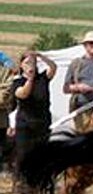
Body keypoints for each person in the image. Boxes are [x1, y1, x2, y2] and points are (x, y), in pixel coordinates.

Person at [12, 51, 56, 183]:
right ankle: (21, 182)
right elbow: (23, 94)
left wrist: (41, 56)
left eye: (33, 63)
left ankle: (40, 182)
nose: (30, 66)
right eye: (27, 63)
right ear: (21, 65)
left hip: (42, 123)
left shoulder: (43, 78)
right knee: (24, 155)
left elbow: (53, 68)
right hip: (25, 125)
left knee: (42, 155)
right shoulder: (18, 81)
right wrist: (30, 79)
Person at [63, 30, 93, 130]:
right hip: (81, 108)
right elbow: (66, 88)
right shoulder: (76, 63)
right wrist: (78, 87)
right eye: (91, 43)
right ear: (85, 45)